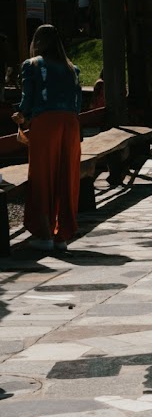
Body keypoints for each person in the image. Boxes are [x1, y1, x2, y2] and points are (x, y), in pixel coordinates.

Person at [11, 25, 83, 251]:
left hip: (46, 122)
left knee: (42, 176)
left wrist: (22, 115)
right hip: (71, 123)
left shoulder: (31, 65)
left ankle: (44, 233)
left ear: (38, 42)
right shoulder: (73, 68)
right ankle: (62, 234)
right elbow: (77, 102)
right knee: (66, 174)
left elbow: (28, 97)